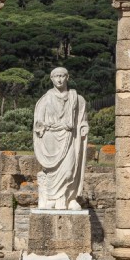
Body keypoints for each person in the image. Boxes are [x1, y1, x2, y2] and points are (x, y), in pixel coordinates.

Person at [32, 67, 88, 210]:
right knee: (51, 171)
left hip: (69, 137)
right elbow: (38, 123)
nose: (59, 79)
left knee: (69, 170)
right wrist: (43, 127)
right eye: (56, 76)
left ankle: (69, 197)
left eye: (62, 76)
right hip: (51, 139)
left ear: (67, 77)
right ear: (51, 79)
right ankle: (52, 198)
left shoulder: (77, 98)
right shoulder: (45, 100)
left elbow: (82, 119)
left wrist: (83, 127)